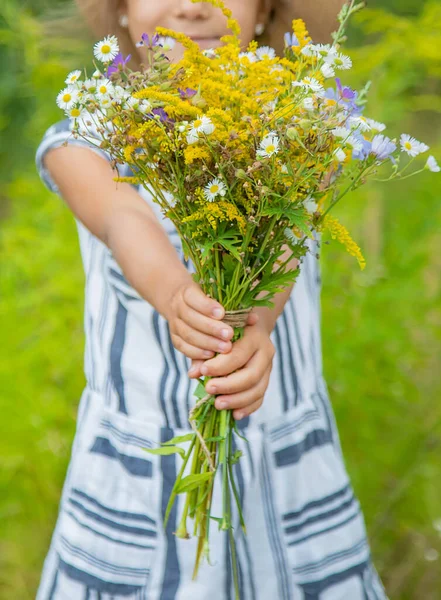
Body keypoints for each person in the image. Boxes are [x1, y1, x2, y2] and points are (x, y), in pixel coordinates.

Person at [35, 1, 389, 598]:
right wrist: (179, 297)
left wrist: (256, 323)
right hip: (136, 488)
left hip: (291, 483)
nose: (194, 5)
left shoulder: (308, 127)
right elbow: (124, 219)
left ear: (268, 10)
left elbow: (285, 243)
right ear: (119, 10)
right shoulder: (86, 134)